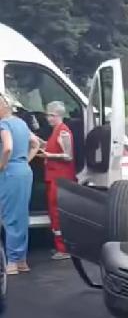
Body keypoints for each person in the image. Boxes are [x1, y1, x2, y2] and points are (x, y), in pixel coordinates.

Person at [0, 92, 40, 275]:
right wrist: (25, 160)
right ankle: (21, 260)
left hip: (10, 173)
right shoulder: (21, 123)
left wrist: (2, 165)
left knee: (10, 217)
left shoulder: (4, 124)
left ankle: (13, 262)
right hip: (23, 171)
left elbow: (7, 147)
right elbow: (35, 143)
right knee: (20, 216)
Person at [37, 101, 76, 260]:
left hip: (60, 178)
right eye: (48, 115)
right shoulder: (56, 131)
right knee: (53, 212)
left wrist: (48, 156)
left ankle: (64, 248)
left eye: (51, 115)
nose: (48, 118)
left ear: (58, 115)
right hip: (53, 177)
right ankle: (60, 245)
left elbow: (68, 155)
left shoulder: (63, 132)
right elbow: (53, 147)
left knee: (57, 212)